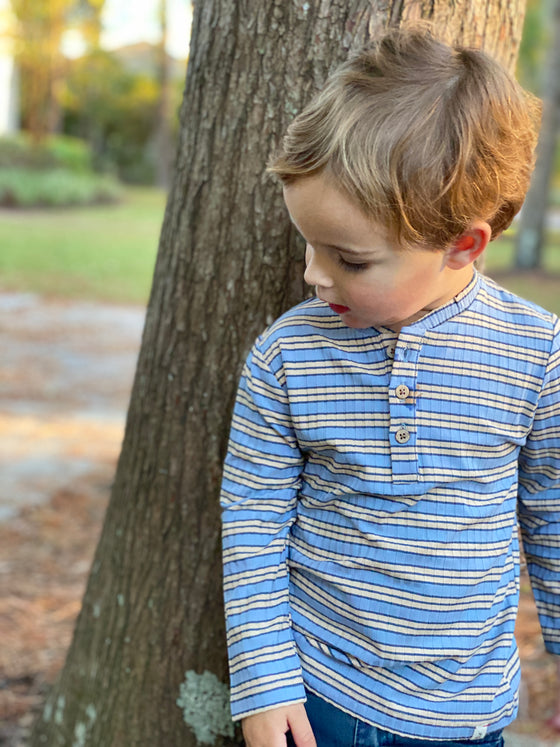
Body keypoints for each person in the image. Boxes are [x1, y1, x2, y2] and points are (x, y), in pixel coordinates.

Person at [220, 26, 559, 747]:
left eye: (349, 258)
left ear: (463, 245)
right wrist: (265, 682)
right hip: (319, 700)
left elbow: (552, 518)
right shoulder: (287, 357)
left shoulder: (538, 354)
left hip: (464, 714)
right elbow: (252, 522)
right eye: (309, 244)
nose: (314, 275)